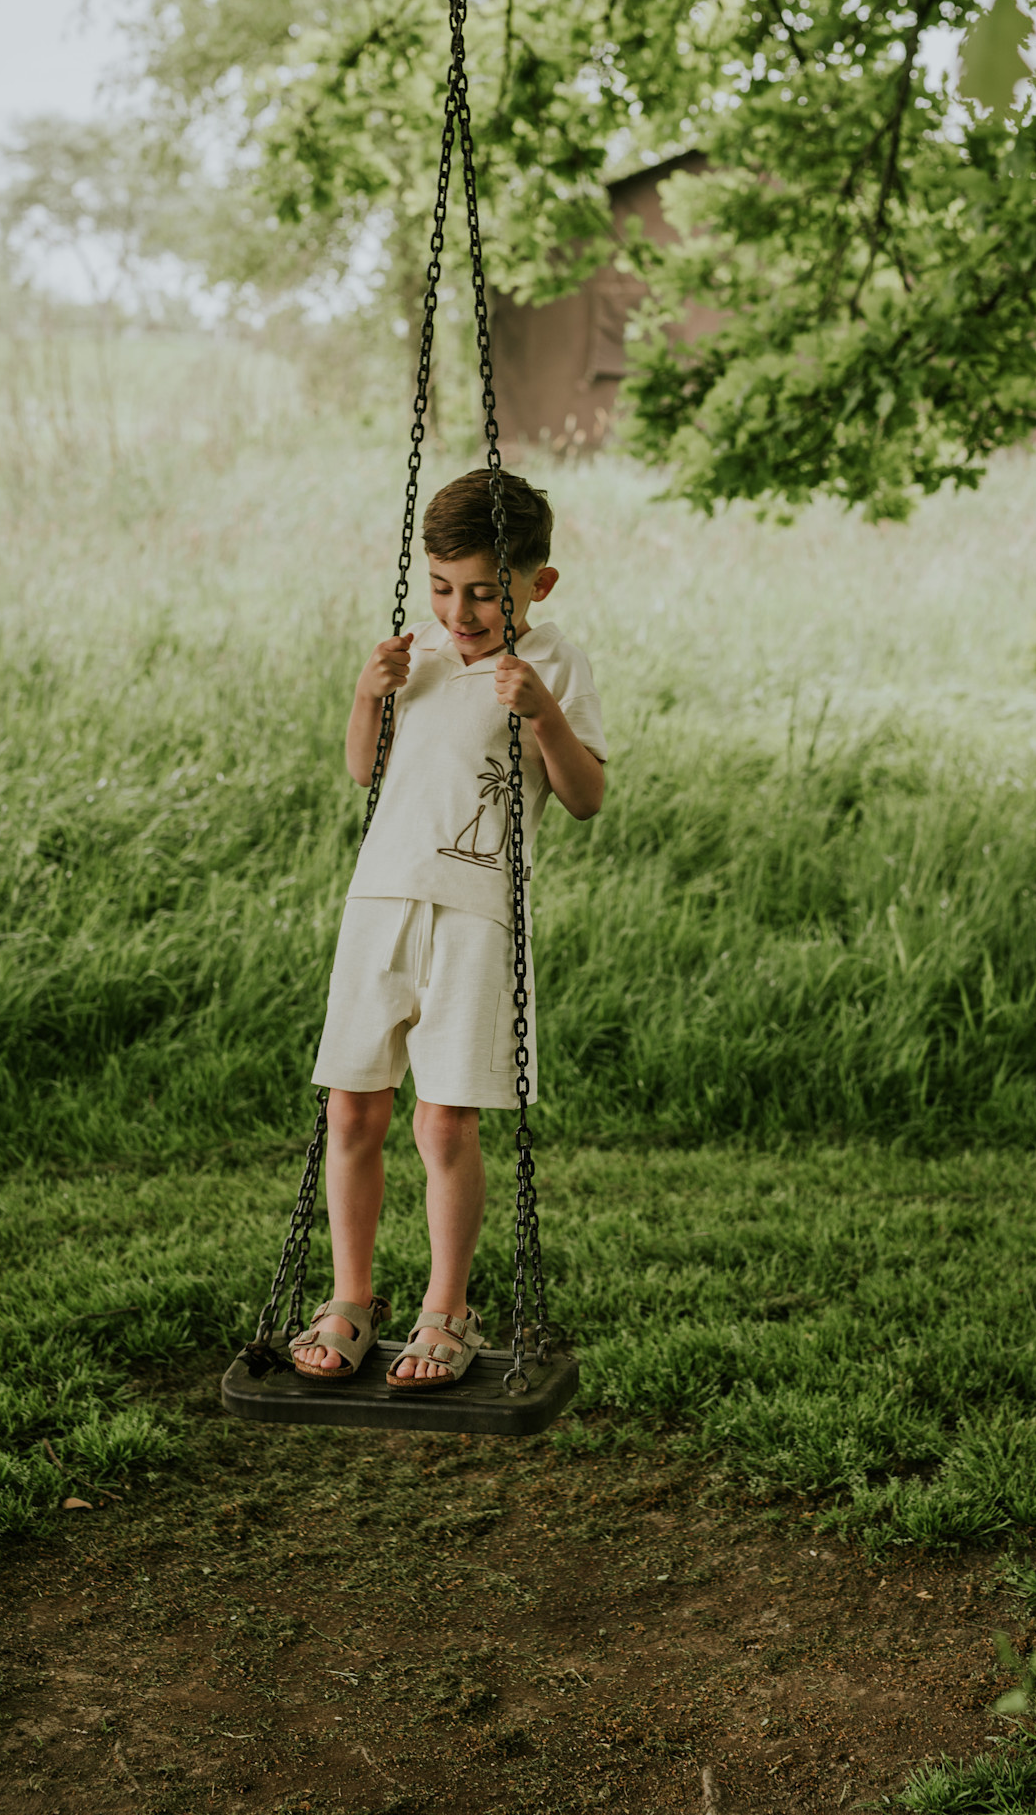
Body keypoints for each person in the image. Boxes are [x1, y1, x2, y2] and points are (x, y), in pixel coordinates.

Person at [291, 468, 607, 1390]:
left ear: (538, 584)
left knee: (442, 1121)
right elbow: (366, 770)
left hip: (476, 918)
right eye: (441, 587)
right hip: (380, 904)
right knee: (352, 1105)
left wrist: (541, 715)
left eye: (483, 593)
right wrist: (367, 695)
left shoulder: (554, 666)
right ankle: (350, 1299)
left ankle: (446, 1308)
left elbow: (585, 796)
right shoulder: (416, 652)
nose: (459, 612)